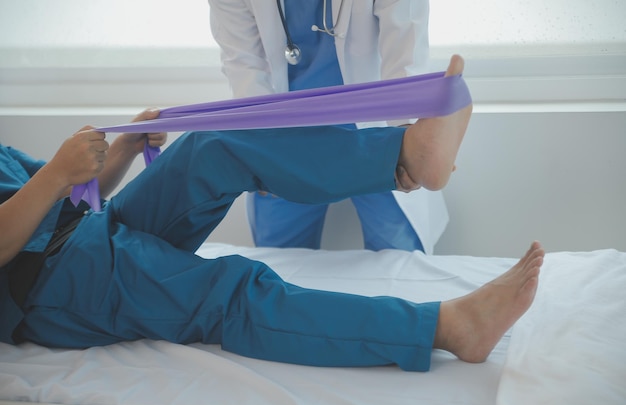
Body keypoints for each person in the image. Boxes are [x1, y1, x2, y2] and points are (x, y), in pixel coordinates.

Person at [0, 56, 545, 372]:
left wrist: (120, 151)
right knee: (230, 291)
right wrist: (55, 175)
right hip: (53, 283)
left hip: (86, 232)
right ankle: (446, 328)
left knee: (214, 145)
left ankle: (403, 156)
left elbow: (62, 199)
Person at [208, 0, 448, 253]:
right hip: (286, 140)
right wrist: (260, 150)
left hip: (375, 132)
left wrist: (409, 138)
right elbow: (244, 65)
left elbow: (405, 50)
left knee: (399, 257)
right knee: (279, 260)